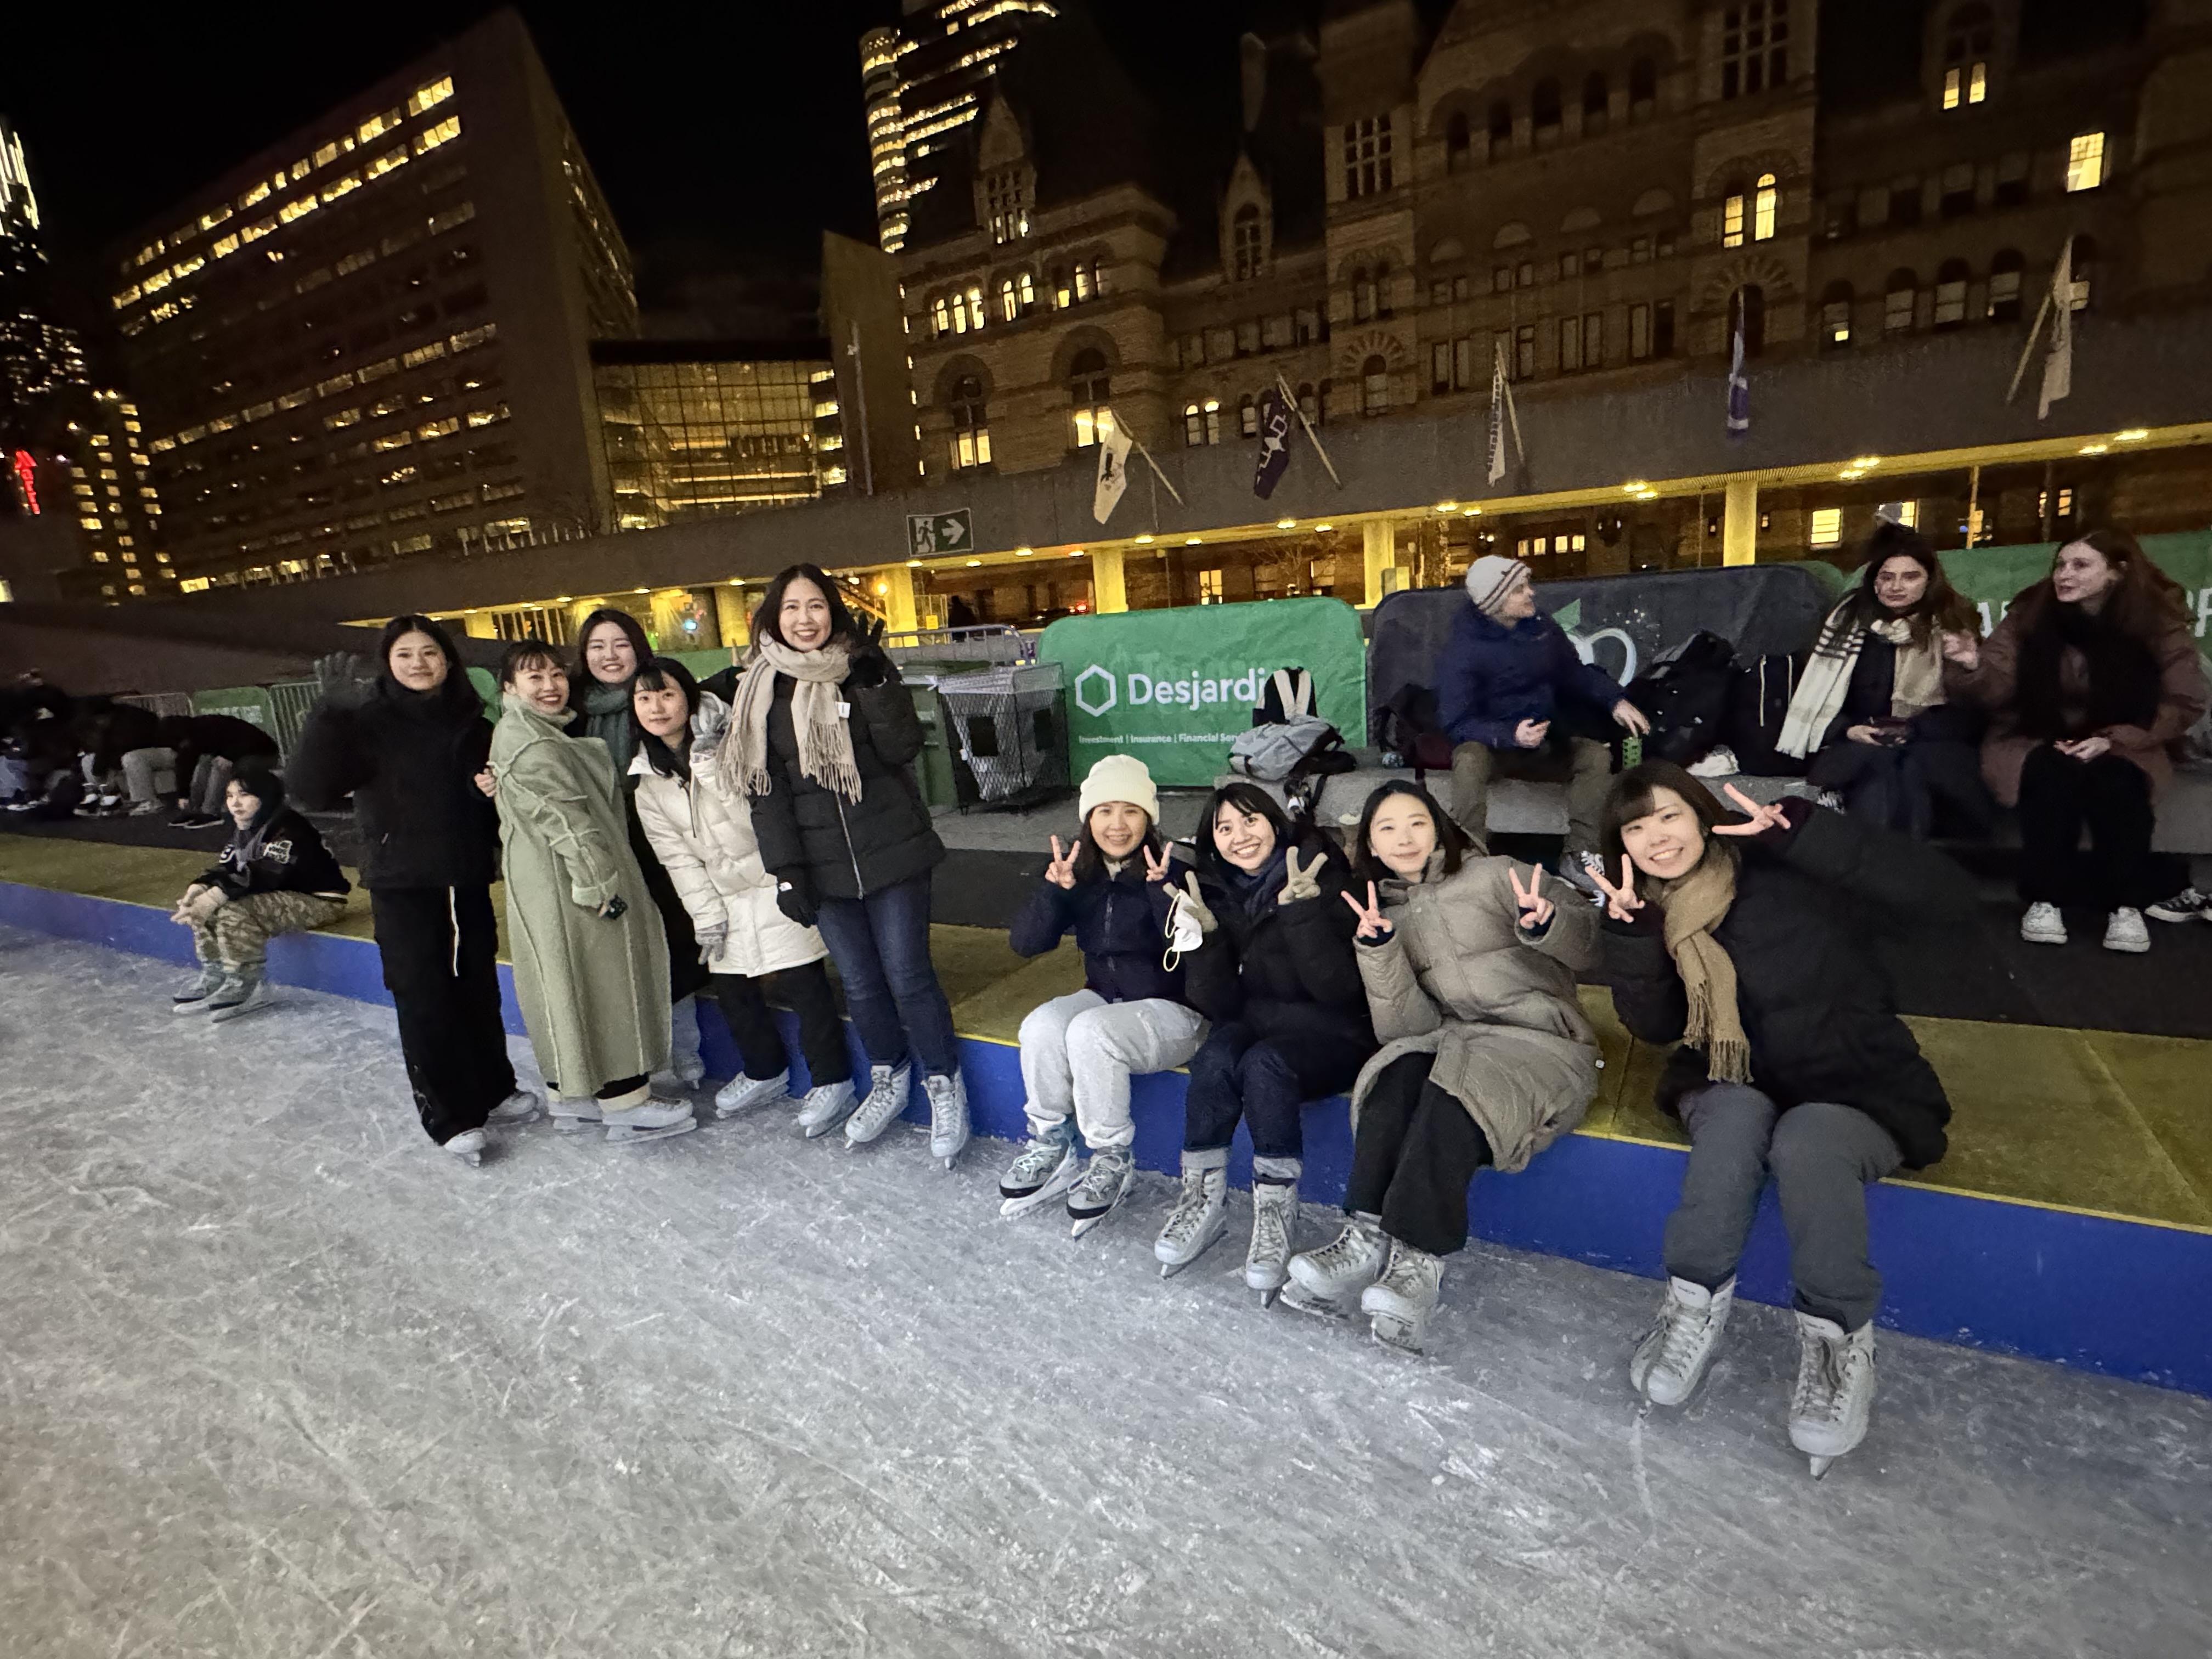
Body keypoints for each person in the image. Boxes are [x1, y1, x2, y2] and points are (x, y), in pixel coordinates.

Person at [1587, 762, 1972, 1476]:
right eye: (1635, 828)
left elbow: (1946, 899)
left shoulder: (1792, 868)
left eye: (1667, 815)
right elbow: (1660, 1023)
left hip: (1857, 1079)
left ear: (1702, 814)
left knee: (1807, 1142)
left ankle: (1837, 1346)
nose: (1656, 838)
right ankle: (1690, 1310)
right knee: (1733, 1124)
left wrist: (1816, 839)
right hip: (1732, 1074)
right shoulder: (1660, 912)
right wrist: (1635, 941)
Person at [1283, 782, 1600, 1353]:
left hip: (1544, 1045)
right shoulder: (1386, 911)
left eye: (1416, 823)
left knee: (1452, 1095)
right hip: (1458, 1041)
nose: (1403, 838)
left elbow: (1589, 943)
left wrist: (1545, 921)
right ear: (1371, 847)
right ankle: (1363, 1237)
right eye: (1387, 829)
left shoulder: (1497, 874)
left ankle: (1417, 1262)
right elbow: (1408, 1031)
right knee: (1395, 1071)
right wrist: (1379, 954)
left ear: (1439, 828)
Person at [734, 562, 969, 1167]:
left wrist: (874, 685)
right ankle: (889, 1074)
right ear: (773, 617)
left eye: (815, 606)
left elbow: (902, 749)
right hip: (822, 866)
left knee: (908, 975)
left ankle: (944, 1082)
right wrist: (786, 869)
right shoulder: (761, 688)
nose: (804, 619)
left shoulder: (861, 666)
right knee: (861, 982)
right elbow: (766, 791)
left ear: (832, 612)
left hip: (892, 851)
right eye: (791, 608)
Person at [290, 616, 538, 1167]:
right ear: (388, 663)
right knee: (424, 996)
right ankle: (449, 1115)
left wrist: (486, 797)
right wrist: (328, 715)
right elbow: (309, 789)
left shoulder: (472, 722)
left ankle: (494, 1087)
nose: (420, 664)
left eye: (430, 653)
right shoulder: (366, 722)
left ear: (448, 661)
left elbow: (483, 800)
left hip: (466, 876)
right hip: (403, 883)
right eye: (406, 654)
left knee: (477, 988)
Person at [1153, 783, 1372, 1301]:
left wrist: (1301, 915)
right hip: (1258, 1020)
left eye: (1250, 821)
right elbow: (1221, 1006)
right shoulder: (1218, 892)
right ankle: (1202, 1199)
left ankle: (1276, 1211)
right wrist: (1204, 941)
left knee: (1264, 1064)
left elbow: (1340, 991)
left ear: (1275, 823)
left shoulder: (1324, 879)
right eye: (1224, 828)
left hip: (1333, 1032)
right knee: (1216, 1057)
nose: (1240, 837)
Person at [1951, 528, 2209, 950]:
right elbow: (1997, 688)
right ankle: (2044, 901)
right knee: (2048, 774)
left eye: (2080, 565)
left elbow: (2183, 701)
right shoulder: (2029, 616)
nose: (2063, 575)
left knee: (2120, 781)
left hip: (2127, 736)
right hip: (2034, 732)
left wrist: (2116, 739)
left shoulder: (2157, 625)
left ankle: (2125, 908)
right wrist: (1972, 665)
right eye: (2061, 564)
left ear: (2116, 574)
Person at [628, 656, 855, 1127]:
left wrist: (710, 770)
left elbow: (758, 818)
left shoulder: (734, 739)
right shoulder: (648, 781)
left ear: (688, 697)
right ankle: (764, 1070)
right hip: (726, 894)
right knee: (732, 989)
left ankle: (833, 1080)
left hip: (773, 877)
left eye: (667, 694)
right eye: (644, 698)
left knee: (805, 985)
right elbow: (678, 858)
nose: (656, 707)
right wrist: (706, 914)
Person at [490, 640, 693, 1145]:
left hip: (544, 881)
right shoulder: (533, 745)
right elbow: (568, 823)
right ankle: (626, 1099)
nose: (550, 687)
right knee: (605, 984)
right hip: (573, 885)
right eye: (534, 678)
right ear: (509, 688)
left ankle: (571, 1096)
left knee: (563, 983)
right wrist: (602, 889)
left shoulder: (524, 734)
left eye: (557, 675)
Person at [1000, 754, 1204, 1235]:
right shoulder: (1080, 873)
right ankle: (1052, 1142)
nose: (1117, 825)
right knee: (1043, 1025)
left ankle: (1112, 1156)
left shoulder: (1175, 870)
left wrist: (1163, 892)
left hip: (1176, 1013)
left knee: (1092, 1032)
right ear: (1088, 820)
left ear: (1149, 819)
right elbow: (1025, 944)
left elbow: (1197, 952)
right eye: (1104, 811)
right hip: (1106, 999)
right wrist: (1056, 892)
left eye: (1130, 811)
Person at [1436, 553, 1649, 892]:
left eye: (1527, 585)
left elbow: (1572, 672)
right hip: (1496, 749)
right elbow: (1455, 722)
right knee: (1468, 758)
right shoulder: (1464, 648)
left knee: (1594, 756)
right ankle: (1467, 854)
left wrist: (1615, 700)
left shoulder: (1542, 628)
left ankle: (1580, 854)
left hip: (1547, 741)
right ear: (1496, 601)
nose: (1531, 593)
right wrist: (1510, 735)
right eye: (1520, 589)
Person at [568, 606, 710, 1092]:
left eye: (620, 644)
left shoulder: (656, 696)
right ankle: (634, 1054)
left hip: (658, 840)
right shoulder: (571, 711)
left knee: (674, 945)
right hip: (602, 847)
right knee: (620, 955)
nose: (610, 655)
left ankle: (683, 1048)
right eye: (597, 646)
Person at [1777, 521, 1991, 839]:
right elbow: (1819, 700)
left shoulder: (1953, 623)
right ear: (1874, 581)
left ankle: (1882, 866)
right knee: (1884, 768)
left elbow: (1974, 713)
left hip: (1934, 745)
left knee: (1902, 768)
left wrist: (1914, 729)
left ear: (1930, 581)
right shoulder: (1847, 621)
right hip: (1859, 741)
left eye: (1910, 577)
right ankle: (1899, 868)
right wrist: (1848, 729)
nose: (1896, 587)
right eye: (1886, 577)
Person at [169, 760, 351, 1023]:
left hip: (319, 900)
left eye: (245, 795)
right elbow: (229, 865)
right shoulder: (246, 826)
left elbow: (267, 873)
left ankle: (248, 984)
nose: (235, 803)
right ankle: (216, 973)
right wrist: (200, 888)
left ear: (265, 797)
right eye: (230, 795)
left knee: (232, 908)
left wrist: (215, 896)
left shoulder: (288, 826)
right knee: (206, 905)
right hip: (278, 895)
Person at [160, 712, 283, 828]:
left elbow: (249, 742)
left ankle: (211, 812)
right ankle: (193, 809)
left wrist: (229, 756)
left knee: (221, 765)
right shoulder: (192, 735)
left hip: (263, 754)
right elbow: (185, 765)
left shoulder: (210, 727)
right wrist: (183, 794)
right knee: (205, 764)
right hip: (241, 752)